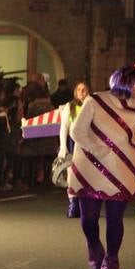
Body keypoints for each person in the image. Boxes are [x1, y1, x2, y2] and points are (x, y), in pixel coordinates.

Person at [67, 66, 135, 269]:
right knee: (88, 218)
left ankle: (111, 258)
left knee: (114, 218)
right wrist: (96, 149)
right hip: (91, 166)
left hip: (122, 169)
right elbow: (76, 131)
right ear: (123, 82)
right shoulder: (95, 101)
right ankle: (94, 247)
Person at [57, 81, 89, 218]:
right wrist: (63, 147)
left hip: (88, 144)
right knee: (72, 175)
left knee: (88, 175)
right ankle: (73, 204)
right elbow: (64, 127)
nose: (81, 92)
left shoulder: (93, 105)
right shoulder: (70, 107)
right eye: (79, 90)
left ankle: (85, 206)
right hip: (73, 144)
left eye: (84, 90)